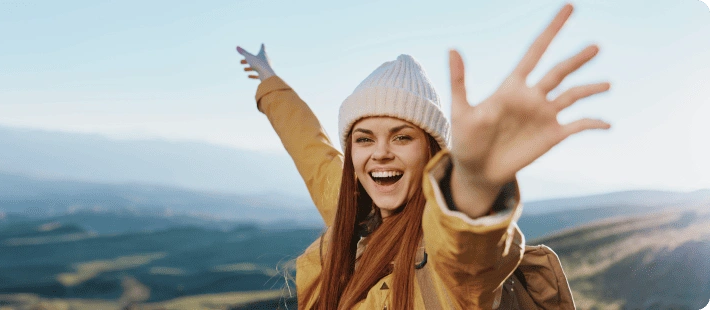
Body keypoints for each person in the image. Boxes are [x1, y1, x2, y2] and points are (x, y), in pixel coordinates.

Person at [236, 4, 608, 309]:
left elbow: (470, 253)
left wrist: (475, 185)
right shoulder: (356, 211)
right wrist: (270, 82)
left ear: (431, 150)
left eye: (401, 137)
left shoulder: (445, 265)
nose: (380, 153)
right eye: (364, 139)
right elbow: (311, 150)